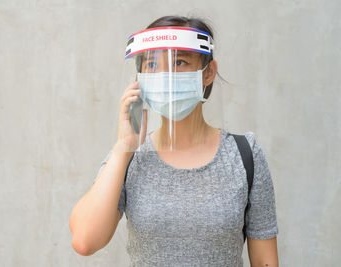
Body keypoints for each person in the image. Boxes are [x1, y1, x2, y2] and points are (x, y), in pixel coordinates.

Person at [69, 15, 279, 267]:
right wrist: (123, 147)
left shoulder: (245, 155)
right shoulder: (131, 157)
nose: (166, 75)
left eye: (179, 62)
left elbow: (266, 262)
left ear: (208, 72)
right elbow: (84, 241)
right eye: (152, 65)